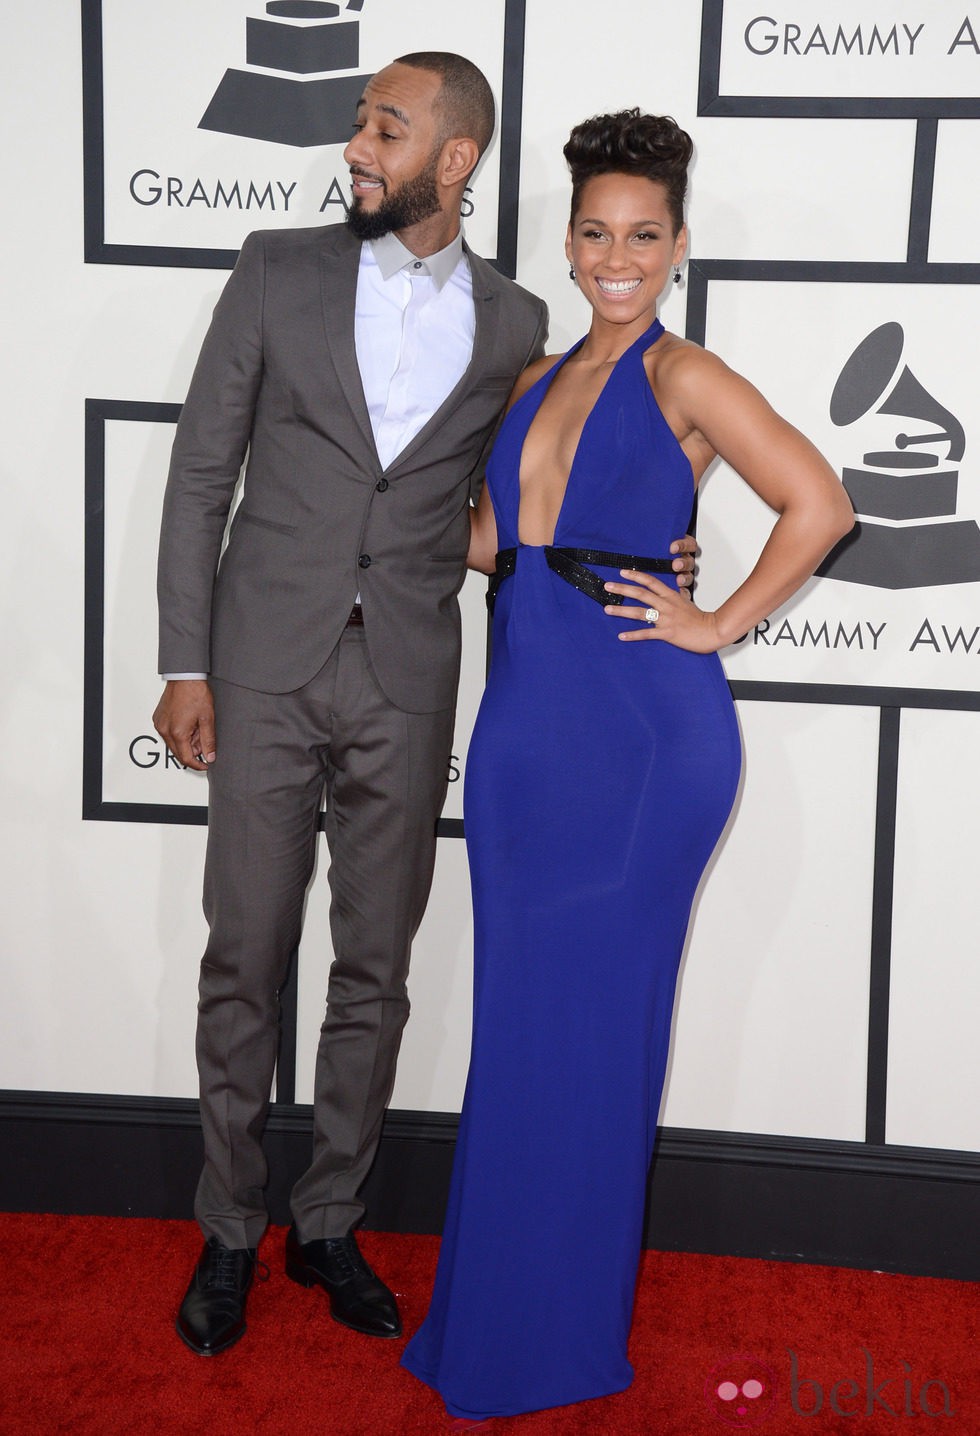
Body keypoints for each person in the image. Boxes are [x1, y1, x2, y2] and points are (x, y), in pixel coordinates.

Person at [153, 51, 700, 1359]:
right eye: (359, 124)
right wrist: (184, 662)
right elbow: (196, 478)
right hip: (263, 666)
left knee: (376, 967)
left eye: (384, 127)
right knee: (245, 954)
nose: (358, 145)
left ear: (454, 159)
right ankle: (230, 1225)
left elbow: (522, 500)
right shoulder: (273, 269)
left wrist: (645, 556)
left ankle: (329, 1220)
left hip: (406, 677)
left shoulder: (516, 324)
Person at [401, 109, 854, 1425]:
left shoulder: (686, 377)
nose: (616, 256)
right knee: (528, 1037)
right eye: (595, 232)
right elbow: (498, 544)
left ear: (677, 245)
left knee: (587, 1043)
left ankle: (548, 1339)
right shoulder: (534, 376)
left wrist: (714, 620)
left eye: (642, 236)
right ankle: (495, 1320)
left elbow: (819, 505)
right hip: (527, 736)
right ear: (569, 237)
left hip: (642, 744)